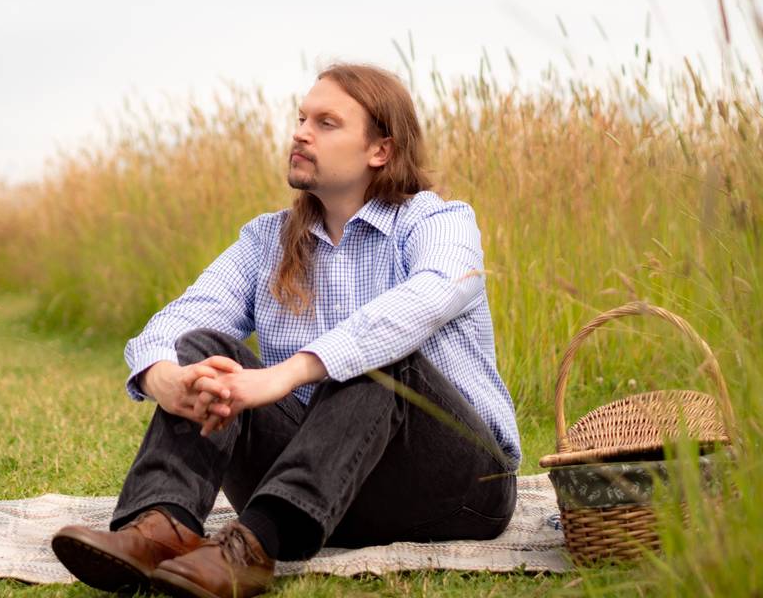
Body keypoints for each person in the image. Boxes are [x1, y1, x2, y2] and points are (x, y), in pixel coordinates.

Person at [51, 63, 522, 598]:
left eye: (327, 123)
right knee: (204, 348)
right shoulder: (267, 241)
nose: (300, 132)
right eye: (301, 118)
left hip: (455, 489)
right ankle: (161, 529)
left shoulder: (439, 222)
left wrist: (287, 374)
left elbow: (426, 298)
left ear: (381, 151)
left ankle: (251, 549)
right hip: (319, 492)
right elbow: (184, 319)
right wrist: (163, 377)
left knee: (385, 352)